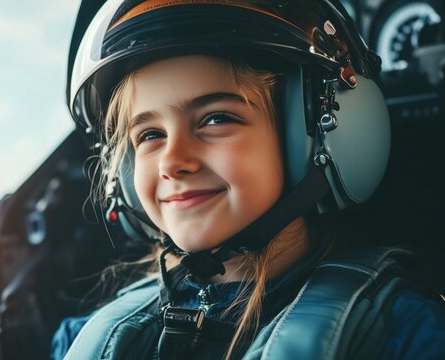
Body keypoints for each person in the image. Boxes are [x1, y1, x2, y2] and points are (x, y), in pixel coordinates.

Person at [52, 0, 445, 359]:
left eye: (216, 119)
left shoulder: (402, 335)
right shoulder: (77, 338)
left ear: (318, 137)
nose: (172, 162)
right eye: (150, 135)